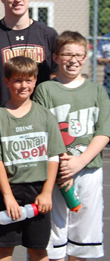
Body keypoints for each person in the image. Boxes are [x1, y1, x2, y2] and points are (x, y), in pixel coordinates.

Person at [33, 31, 110, 260]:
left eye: (79, 55)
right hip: (54, 172)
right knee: (54, 235)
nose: (73, 60)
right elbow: (42, 131)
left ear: (86, 58)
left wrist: (80, 161)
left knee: (83, 236)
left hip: (88, 170)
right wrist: (62, 165)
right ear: (55, 57)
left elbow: (104, 131)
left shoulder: (97, 91)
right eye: (67, 54)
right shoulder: (45, 90)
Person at [0, 56, 66, 261]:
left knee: (38, 250)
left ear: (35, 81)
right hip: (9, 189)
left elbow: (53, 156)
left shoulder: (45, 115)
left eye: (28, 80)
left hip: (38, 191)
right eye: (17, 80)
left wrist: (47, 192)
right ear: (7, 81)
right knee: (4, 249)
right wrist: (8, 196)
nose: (23, 85)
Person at [96, 24, 110, 96]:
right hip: (108, 74)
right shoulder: (104, 39)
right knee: (106, 95)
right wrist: (107, 61)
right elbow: (97, 58)